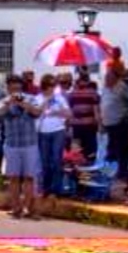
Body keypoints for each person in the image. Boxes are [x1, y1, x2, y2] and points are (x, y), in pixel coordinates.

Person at [0, 73, 44, 219]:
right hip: (12, 145)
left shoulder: (31, 99)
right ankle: (16, 207)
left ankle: (27, 207)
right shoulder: (4, 101)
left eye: (17, 87)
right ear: (8, 88)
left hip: (29, 144)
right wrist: (10, 102)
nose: (15, 91)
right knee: (13, 178)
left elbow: (37, 112)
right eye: (12, 88)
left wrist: (23, 103)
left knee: (29, 178)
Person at [34, 73, 71, 201]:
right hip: (43, 132)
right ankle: (45, 188)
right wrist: (46, 101)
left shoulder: (60, 98)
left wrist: (57, 111)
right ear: (45, 86)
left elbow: (68, 114)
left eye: (54, 85)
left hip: (58, 131)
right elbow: (36, 113)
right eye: (50, 85)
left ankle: (56, 190)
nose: (53, 88)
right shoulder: (38, 98)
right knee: (45, 162)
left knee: (56, 160)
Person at [100, 68, 128, 180]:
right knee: (110, 150)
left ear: (115, 78)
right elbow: (102, 104)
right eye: (106, 77)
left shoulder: (122, 87)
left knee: (121, 151)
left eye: (109, 77)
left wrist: (125, 115)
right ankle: (106, 174)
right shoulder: (104, 88)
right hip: (108, 124)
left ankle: (122, 175)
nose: (106, 79)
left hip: (120, 124)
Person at [66, 70, 100, 157]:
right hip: (89, 124)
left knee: (77, 146)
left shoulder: (72, 93)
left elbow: (70, 109)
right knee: (90, 146)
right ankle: (89, 163)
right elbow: (95, 110)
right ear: (88, 81)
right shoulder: (93, 93)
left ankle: (78, 162)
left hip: (76, 124)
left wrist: (68, 123)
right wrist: (98, 123)